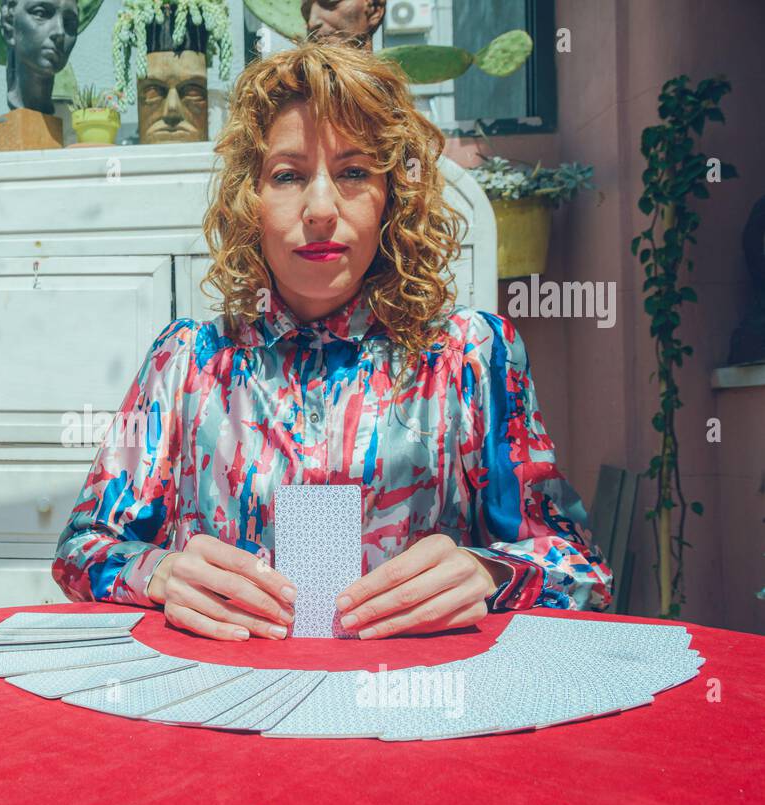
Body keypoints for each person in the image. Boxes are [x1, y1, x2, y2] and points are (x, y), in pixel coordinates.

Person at [52, 39, 613, 642]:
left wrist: (492, 570)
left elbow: (585, 573)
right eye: (288, 175)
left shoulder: (470, 358)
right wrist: (157, 570)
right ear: (250, 200)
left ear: (392, 196)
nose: (320, 207)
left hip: (414, 717)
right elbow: (81, 549)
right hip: (224, 712)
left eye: (353, 172)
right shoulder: (187, 363)